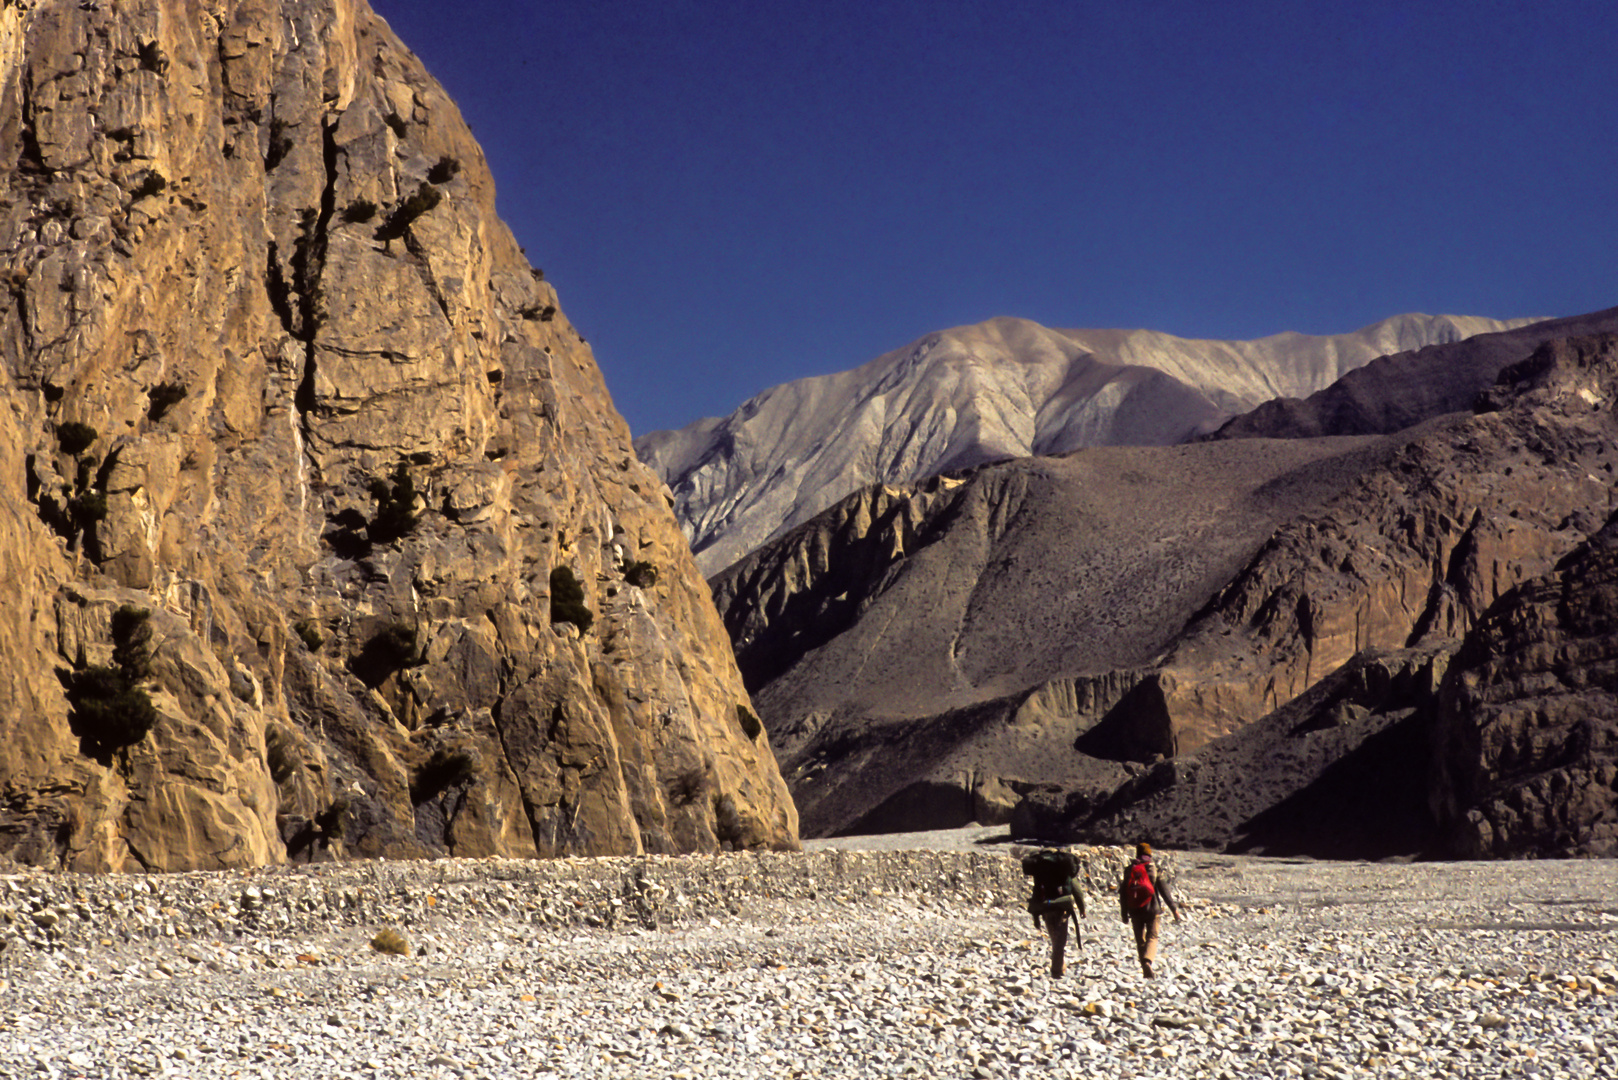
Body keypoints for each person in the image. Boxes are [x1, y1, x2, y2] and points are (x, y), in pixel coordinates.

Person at [1118, 842, 1181, 978]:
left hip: (1134, 910)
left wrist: (1124, 913)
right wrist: (1174, 909)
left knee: (1140, 940)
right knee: (1152, 937)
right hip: (1153, 910)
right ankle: (1148, 962)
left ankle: (1144, 968)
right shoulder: (1154, 869)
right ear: (1149, 854)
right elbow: (1164, 891)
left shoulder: (1130, 870)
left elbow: (1123, 893)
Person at [1022, 849, 1085, 978]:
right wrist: (1082, 908)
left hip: (1046, 909)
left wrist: (1036, 918)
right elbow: (1077, 890)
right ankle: (1056, 971)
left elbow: (1036, 894)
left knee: (1055, 939)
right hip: (1062, 909)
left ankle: (1060, 966)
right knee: (1060, 942)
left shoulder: (1041, 874)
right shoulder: (1064, 872)